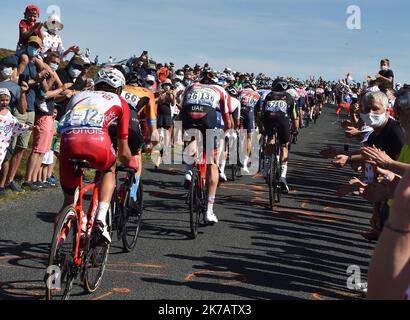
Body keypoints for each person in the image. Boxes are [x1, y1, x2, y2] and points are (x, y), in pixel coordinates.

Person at [58, 67, 136, 243]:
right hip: (97, 142)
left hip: (69, 142)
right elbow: (123, 149)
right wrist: (130, 163)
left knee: (69, 202)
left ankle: (57, 247)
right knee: (110, 169)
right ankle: (101, 219)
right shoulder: (120, 101)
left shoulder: (78, 96)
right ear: (119, 89)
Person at [180, 70, 232, 223]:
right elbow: (227, 120)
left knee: (193, 139)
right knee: (212, 162)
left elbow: (182, 109)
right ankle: (209, 211)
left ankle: (189, 172)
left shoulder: (190, 86)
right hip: (208, 115)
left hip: (188, 113)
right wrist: (224, 134)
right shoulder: (220, 90)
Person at [256, 78, 296, 193]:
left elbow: (260, 114)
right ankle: (283, 177)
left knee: (270, 139)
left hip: (268, 117)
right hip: (282, 120)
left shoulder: (268, 95)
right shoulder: (289, 97)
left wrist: (261, 127)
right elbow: (294, 117)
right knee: (284, 146)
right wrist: (295, 129)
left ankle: (266, 168)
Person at [0, 87, 30, 196]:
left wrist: (29, 127)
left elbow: (17, 125)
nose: (4, 102)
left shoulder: (9, 113)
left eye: (6, 100)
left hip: (5, 143)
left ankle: (2, 186)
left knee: (6, 161)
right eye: (2, 99)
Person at [237, 83, 260, 174]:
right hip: (249, 112)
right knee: (249, 137)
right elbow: (257, 112)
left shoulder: (241, 91)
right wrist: (258, 123)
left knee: (237, 132)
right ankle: (245, 162)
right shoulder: (257, 94)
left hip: (239, 110)